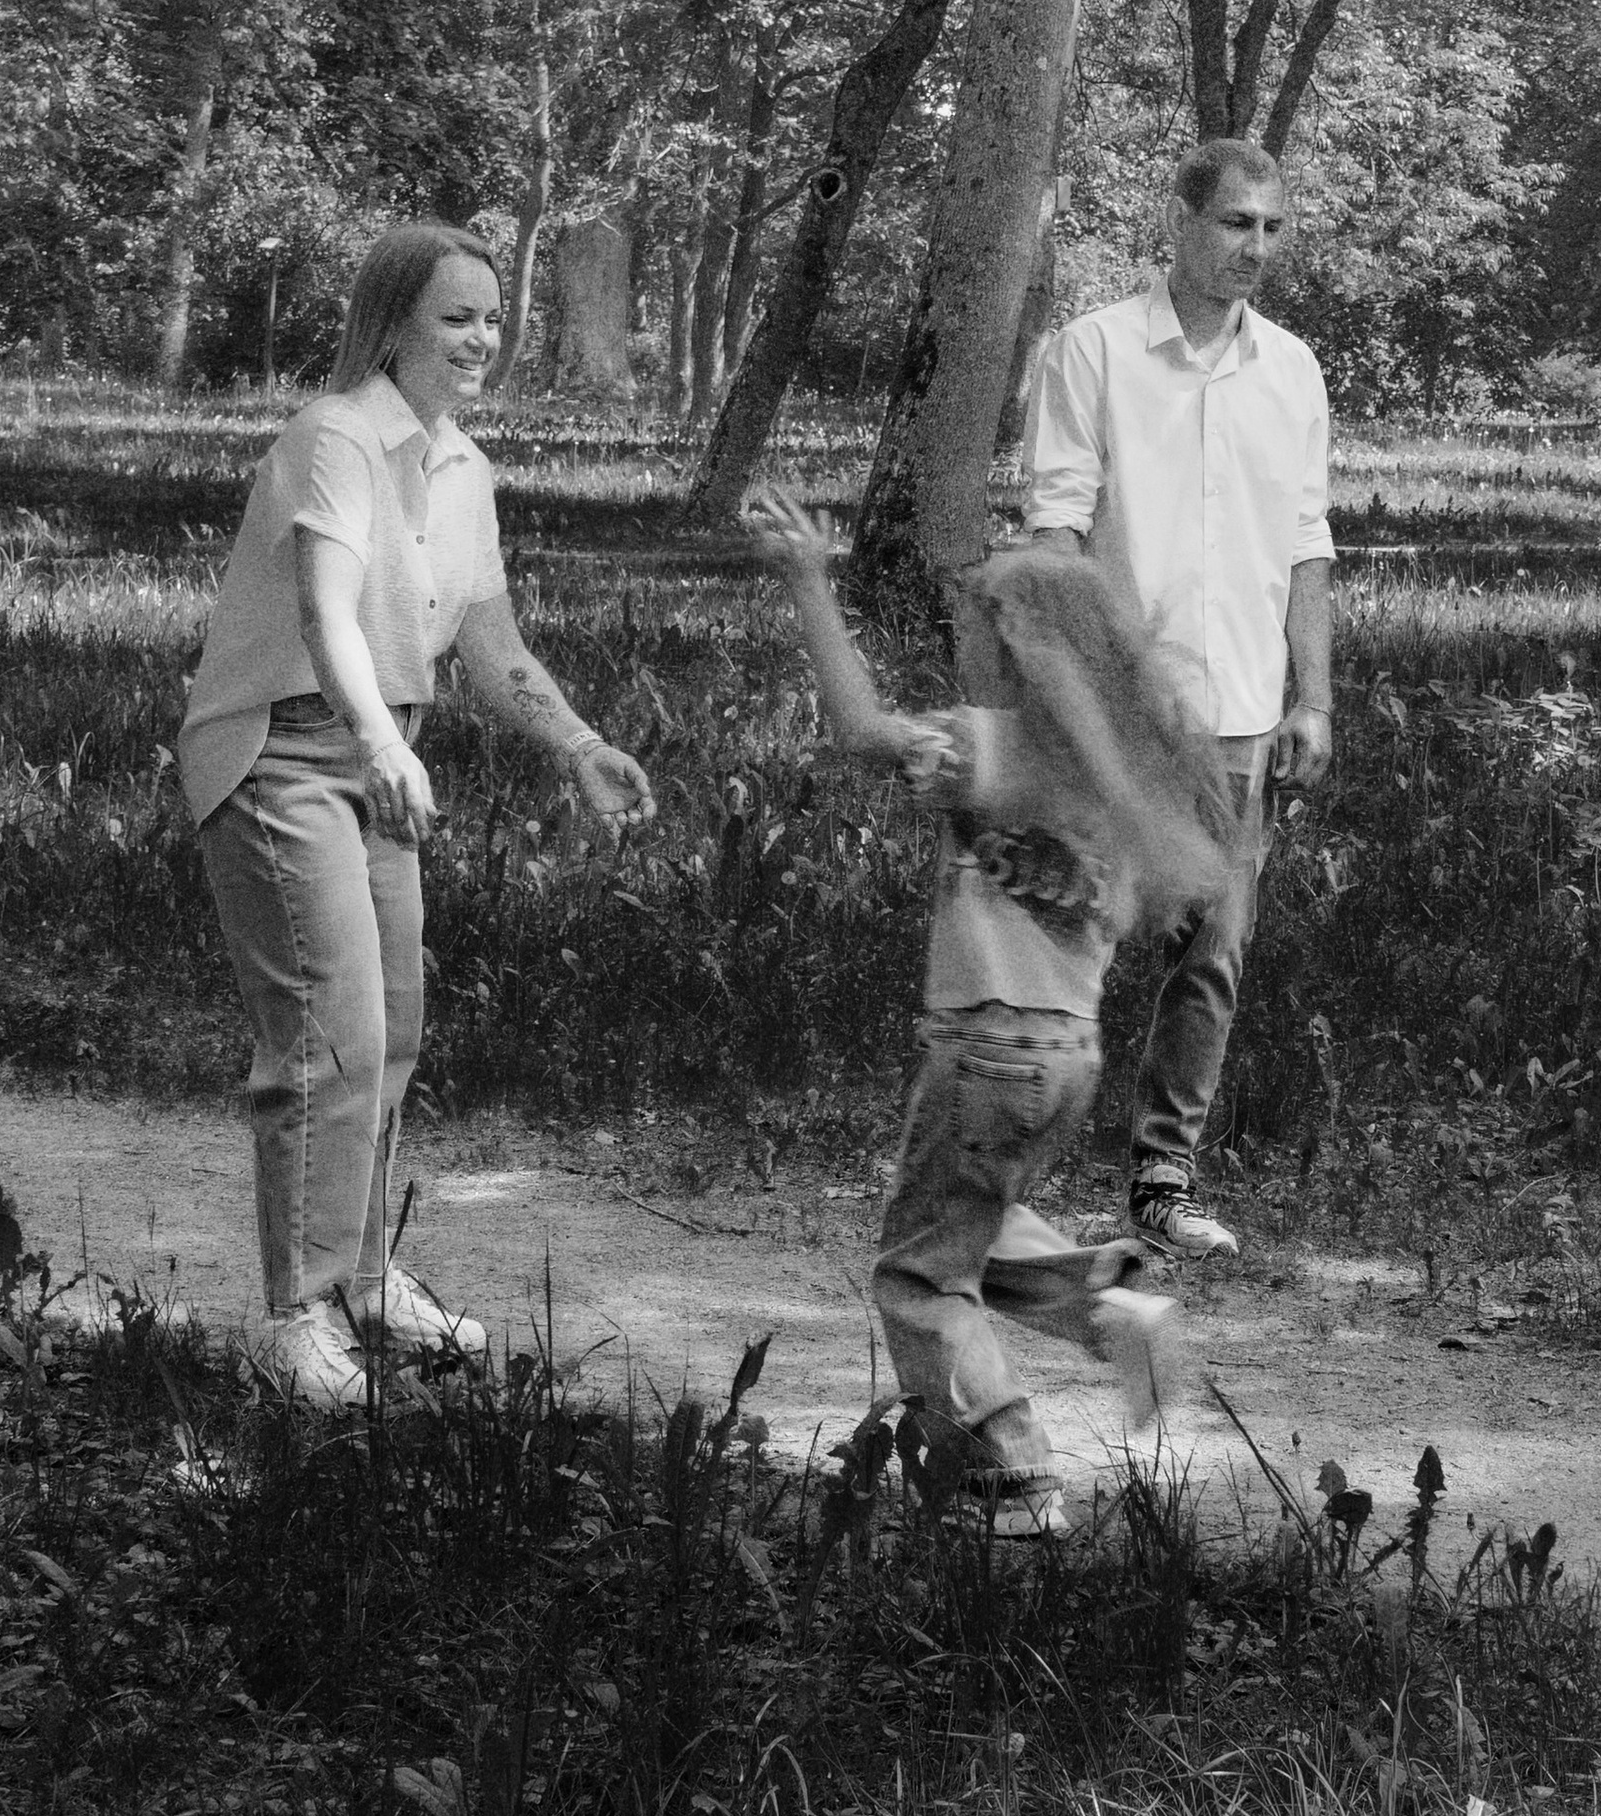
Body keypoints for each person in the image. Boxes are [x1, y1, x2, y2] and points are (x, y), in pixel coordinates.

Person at [179, 223, 656, 1406]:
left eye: (492, 318)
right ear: (393, 323)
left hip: (382, 756)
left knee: (390, 1034)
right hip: (284, 751)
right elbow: (327, 610)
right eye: (456, 317)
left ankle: (362, 1280)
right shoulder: (333, 436)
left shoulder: (463, 469)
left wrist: (579, 744)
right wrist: (382, 741)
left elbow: (491, 646)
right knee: (328, 1037)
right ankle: (296, 1320)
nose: (482, 339)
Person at [744, 479, 1231, 1533]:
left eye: (979, 628)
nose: (967, 644)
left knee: (919, 1275)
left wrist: (808, 580)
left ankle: (1009, 1476)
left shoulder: (987, 747)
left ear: (1020, 651)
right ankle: (1111, 1303)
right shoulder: (1127, 777)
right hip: (1067, 1057)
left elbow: (858, 728)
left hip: (982, 1052)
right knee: (972, 1219)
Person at [1021, 137, 1333, 1265]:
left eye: (1272, 227)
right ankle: (1011, 1164)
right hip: (1119, 716)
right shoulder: (1091, 352)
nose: (1256, 246)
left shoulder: (1291, 371)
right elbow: (1056, 531)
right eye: (1237, 221)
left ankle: (1163, 1177)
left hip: (1243, 714)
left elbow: (1306, 545)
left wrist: (1313, 698)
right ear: (1179, 221)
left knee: (1214, 951)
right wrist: (1085, 682)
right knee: (1072, 935)